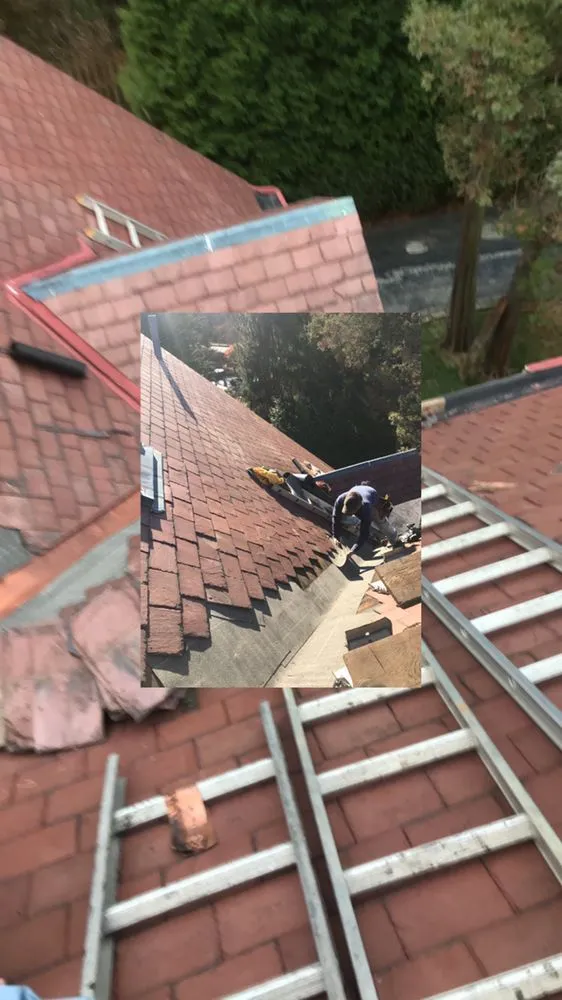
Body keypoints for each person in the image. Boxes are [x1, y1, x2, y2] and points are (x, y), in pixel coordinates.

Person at [332, 482, 396, 555]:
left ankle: (395, 539)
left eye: (352, 512)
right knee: (342, 519)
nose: (351, 514)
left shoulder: (366, 507)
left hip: (373, 499)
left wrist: (354, 550)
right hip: (359, 493)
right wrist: (335, 536)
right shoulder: (340, 499)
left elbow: (364, 534)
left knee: (380, 522)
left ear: (358, 508)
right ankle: (358, 523)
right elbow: (335, 517)